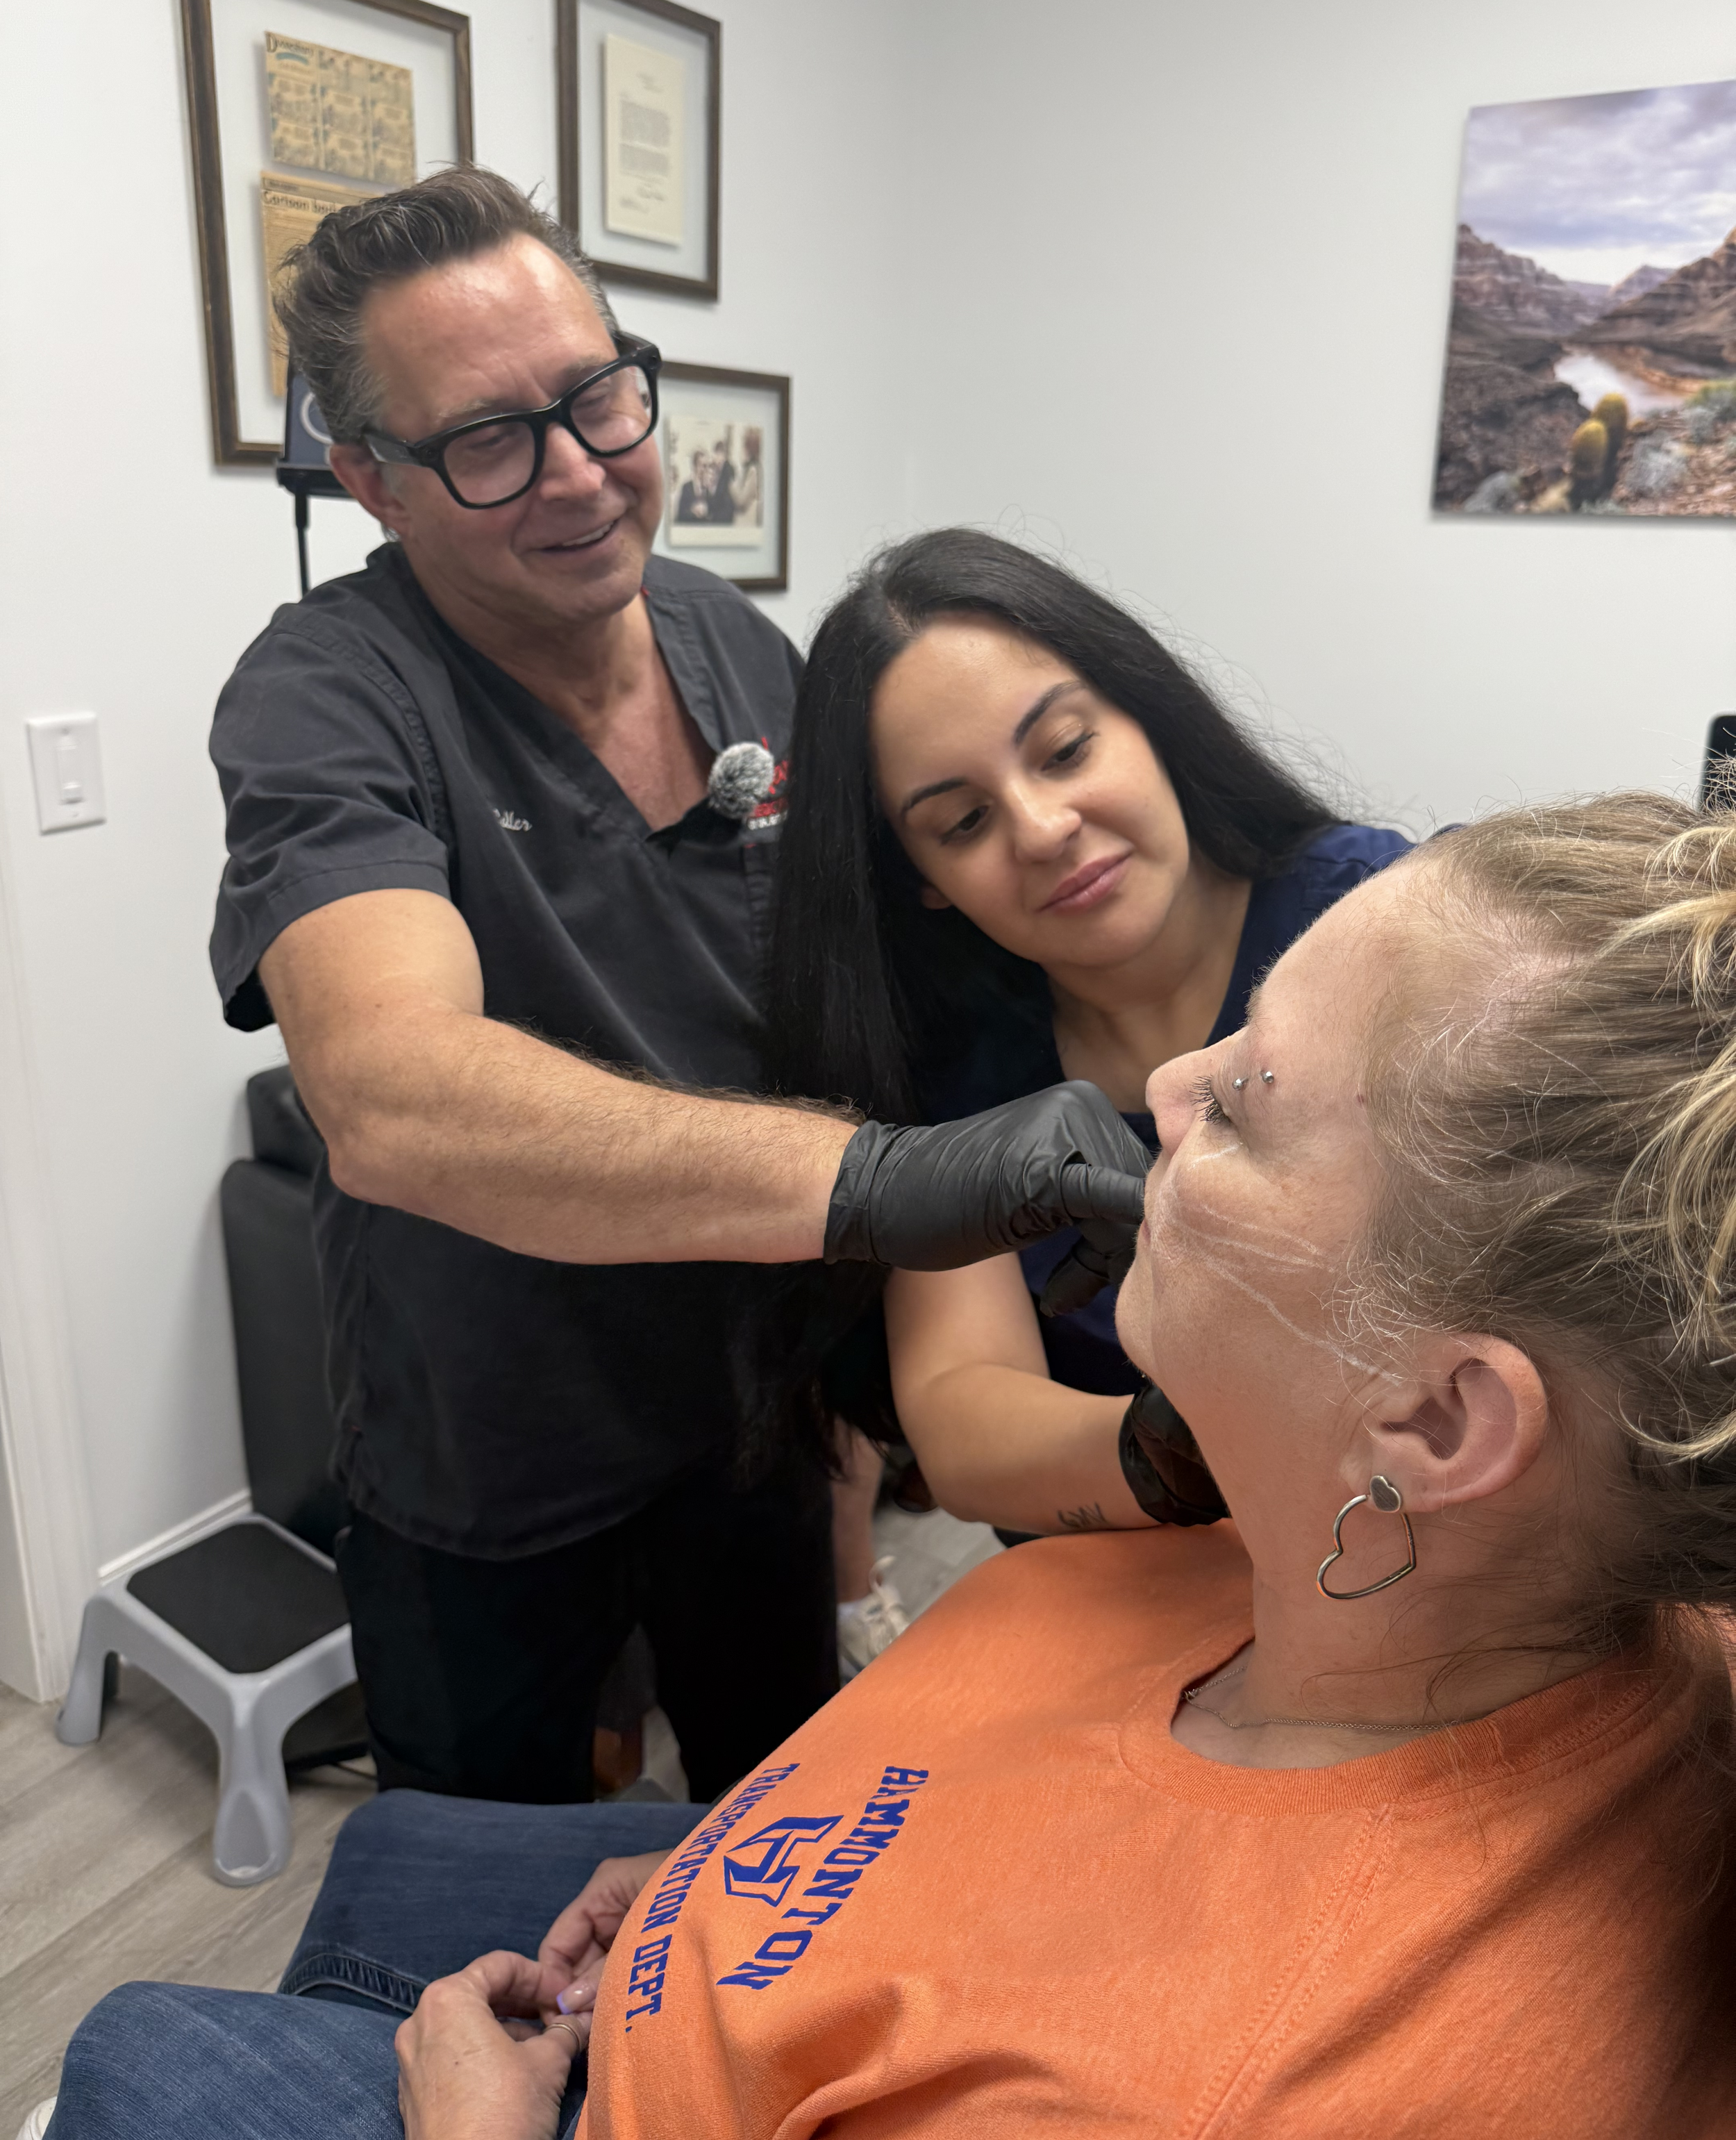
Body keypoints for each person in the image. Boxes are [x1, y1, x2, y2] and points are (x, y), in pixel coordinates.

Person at [49, 789, 1736, 2137]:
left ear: (1438, 1423)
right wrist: (742, 1874)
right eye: (947, 816)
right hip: (763, 1902)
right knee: (389, 1846)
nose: (1162, 1084)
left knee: (135, 2046)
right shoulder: (1409, 1562)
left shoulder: (1203, 2087)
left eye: (1249, 1102)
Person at [203, 167, 1149, 1807]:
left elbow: (856, 994)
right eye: (487, 439)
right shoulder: (329, 700)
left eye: (597, 398)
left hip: (748, 1427)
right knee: (485, 1882)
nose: (577, 474)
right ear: (368, 478)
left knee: (768, 1821)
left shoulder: (736, 644)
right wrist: (889, 1185)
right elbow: (392, 1094)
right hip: (492, 1448)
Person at [762, 528, 1411, 1532]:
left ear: (1147, 718)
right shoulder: (961, 1073)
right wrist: (1182, 1452)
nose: (1042, 827)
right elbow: (962, 1416)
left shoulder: (1391, 921)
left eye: (1066, 751)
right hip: (1148, 1584)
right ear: (921, 884)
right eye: (963, 824)